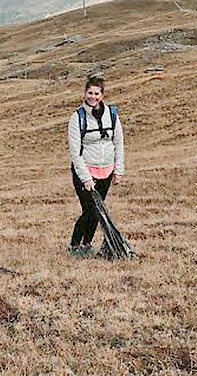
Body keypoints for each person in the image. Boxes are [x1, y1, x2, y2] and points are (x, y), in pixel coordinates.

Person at [67, 76, 125, 257]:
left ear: (102, 94)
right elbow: (75, 152)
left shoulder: (112, 115)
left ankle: (87, 244)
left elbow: (119, 143)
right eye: (90, 93)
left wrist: (119, 169)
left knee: (96, 212)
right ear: (85, 94)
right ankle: (75, 245)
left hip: (106, 170)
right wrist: (85, 178)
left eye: (96, 93)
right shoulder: (77, 118)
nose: (93, 97)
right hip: (85, 171)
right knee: (90, 209)